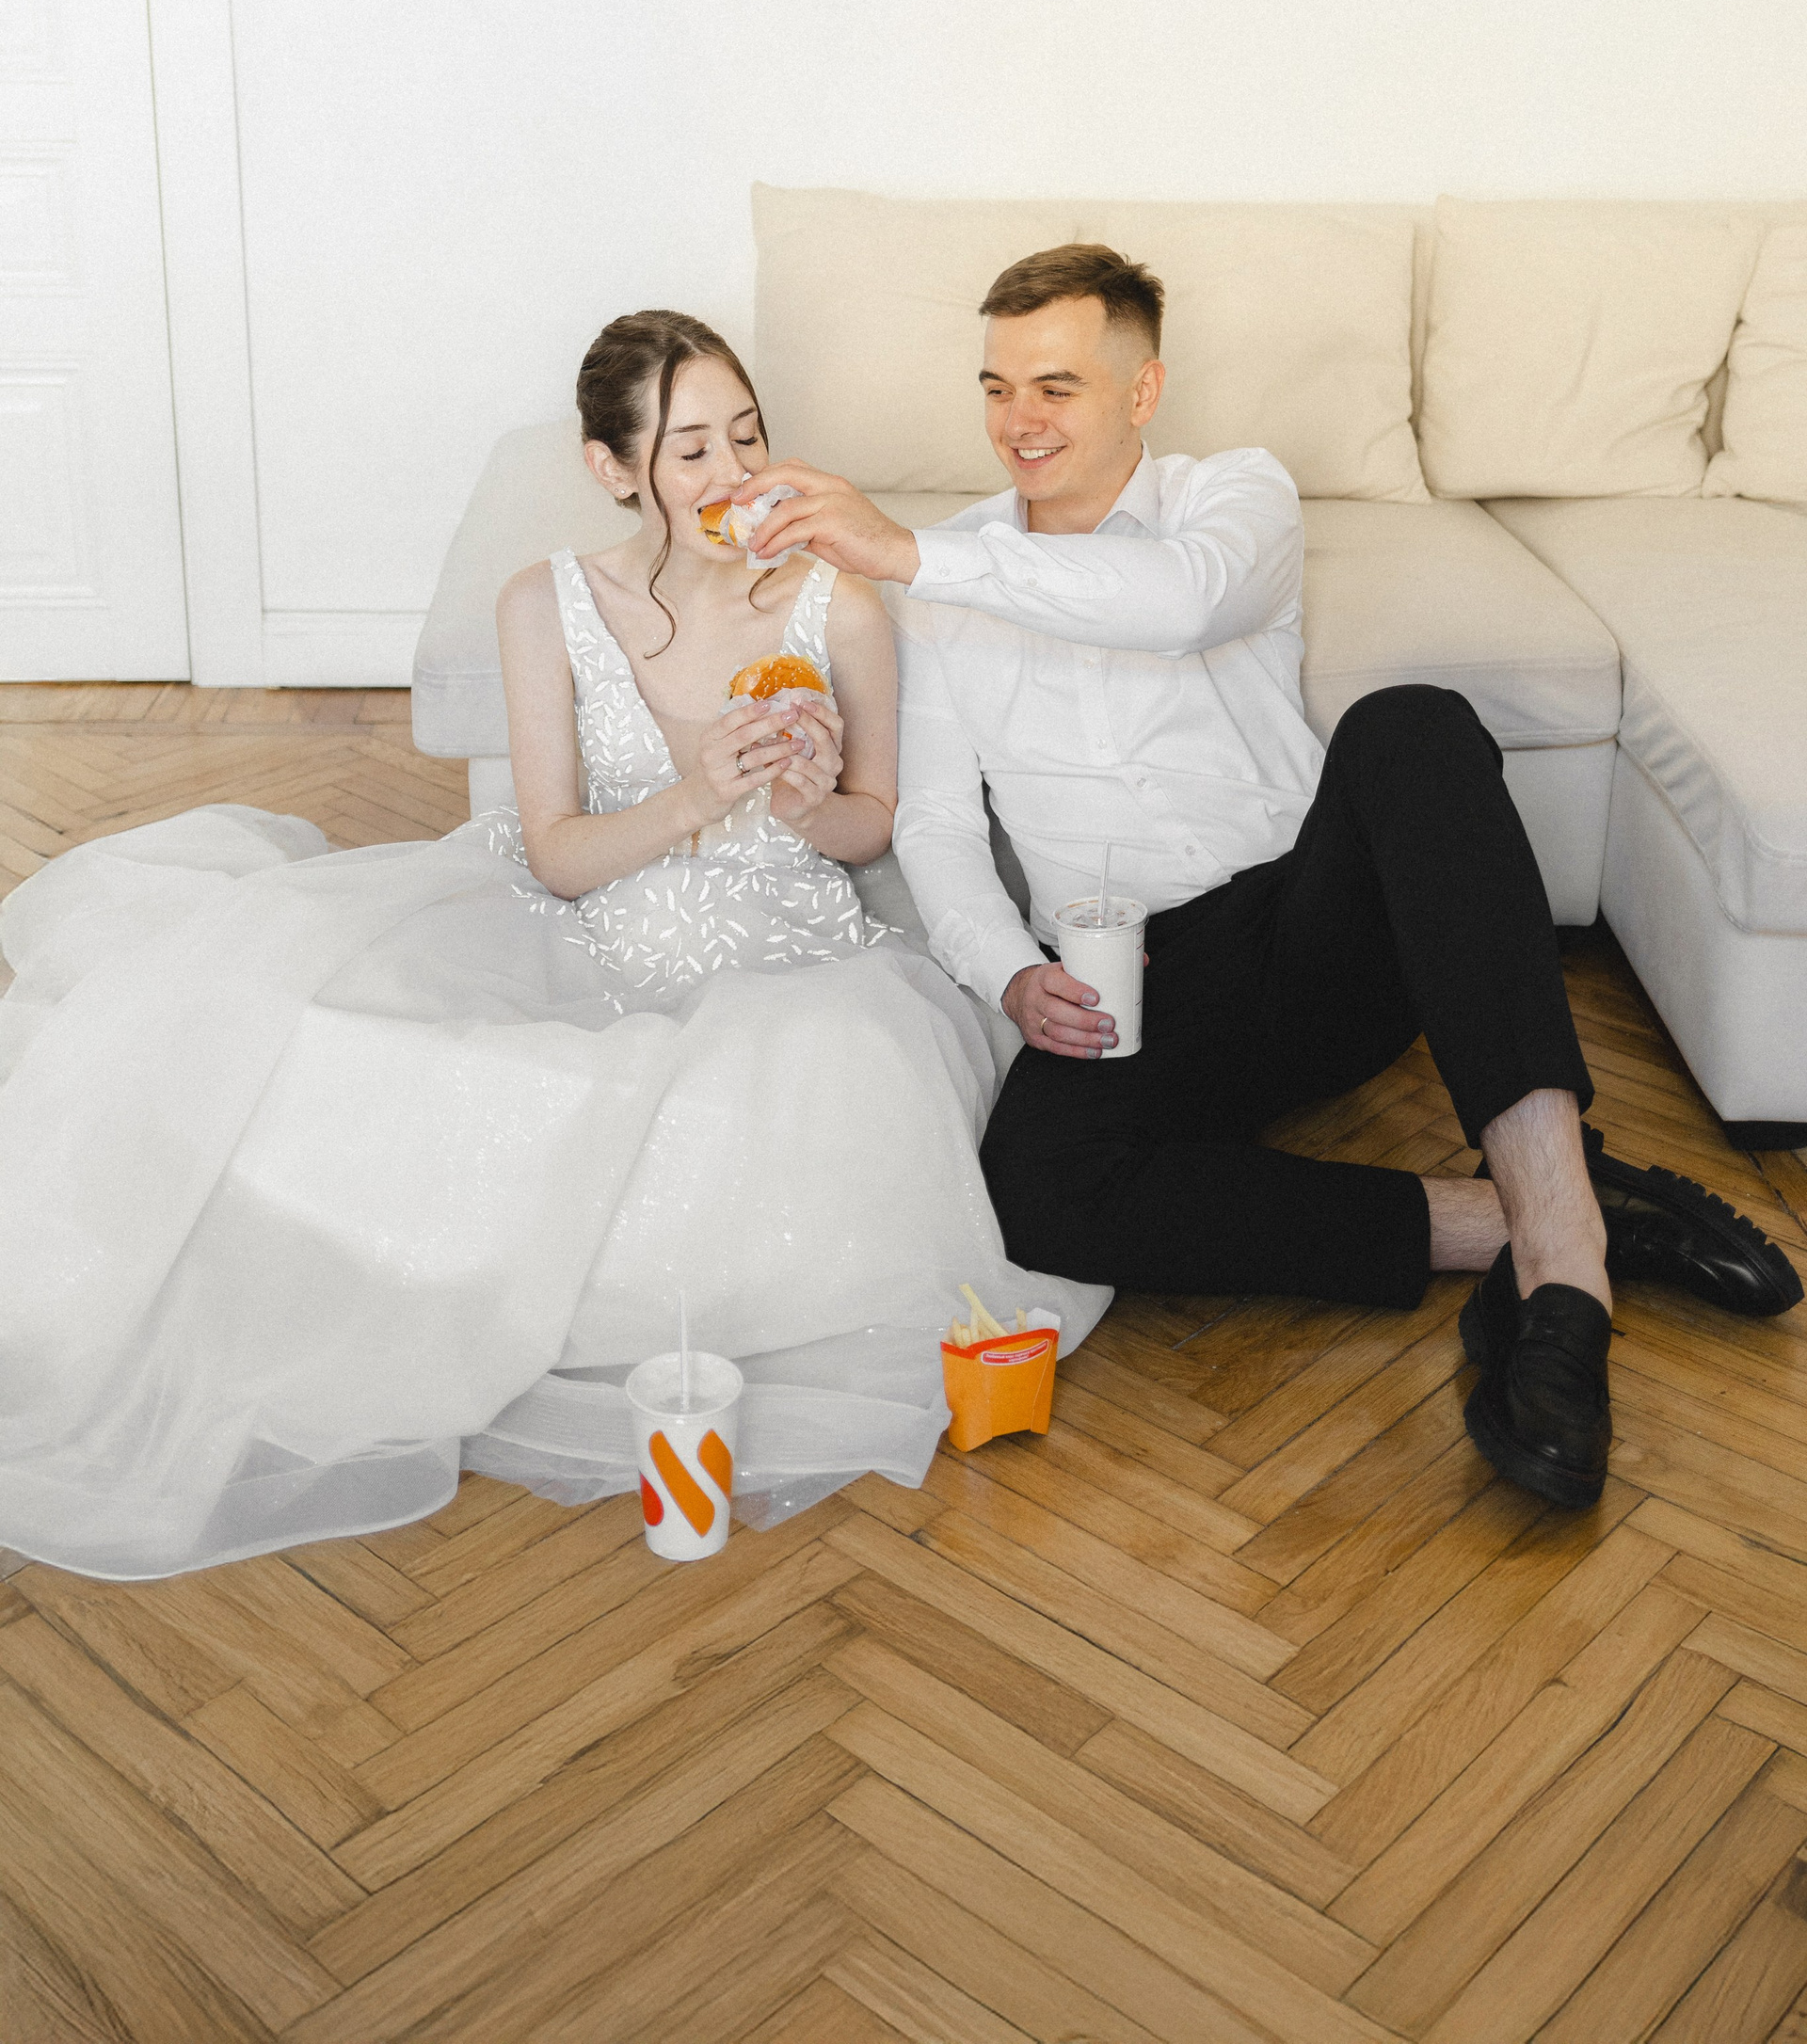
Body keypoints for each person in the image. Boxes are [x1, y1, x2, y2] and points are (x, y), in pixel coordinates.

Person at [0, 310, 1103, 1579]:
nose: (734, 474)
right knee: (322, 1040)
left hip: (786, 948)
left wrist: (805, 804)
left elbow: (873, 826)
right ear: (613, 468)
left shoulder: (836, 604)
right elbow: (558, 852)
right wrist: (699, 793)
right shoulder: (547, 604)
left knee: (822, 1081)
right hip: (581, 928)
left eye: (748, 436)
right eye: (690, 449)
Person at [734, 245, 1800, 1510]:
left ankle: (1567, 1286)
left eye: (1057, 387)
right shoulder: (941, 576)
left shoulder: (1233, 497)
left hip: (1310, 931)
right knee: (1035, 1187)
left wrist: (907, 551)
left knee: (1412, 726)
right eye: (997, 387)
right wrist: (1013, 974)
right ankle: (1544, 1214)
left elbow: (1176, 605)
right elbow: (940, 831)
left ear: (1142, 391)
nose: (1019, 420)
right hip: (1131, 978)